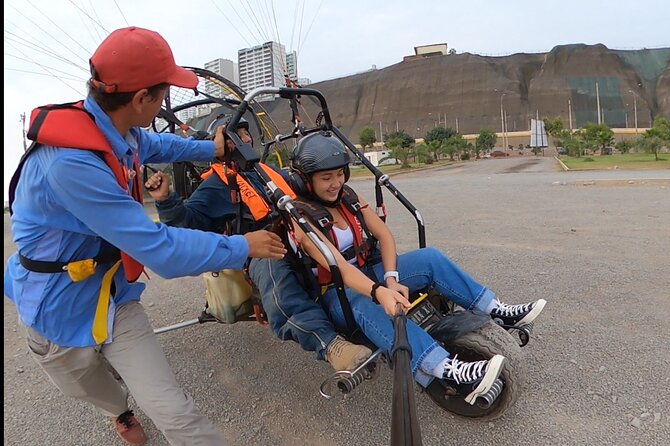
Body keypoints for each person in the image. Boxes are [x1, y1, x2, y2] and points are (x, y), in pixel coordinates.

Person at [4, 26, 286, 446]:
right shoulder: (71, 166)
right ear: (141, 99)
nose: (164, 102)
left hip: (113, 297)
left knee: (176, 413)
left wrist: (213, 149)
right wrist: (243, 245)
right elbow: (159, 249)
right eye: (163, 93)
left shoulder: (118, 131)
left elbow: (160, 146)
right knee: (87, 385)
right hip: (55, 308)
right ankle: (119, 409)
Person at [284, 131, 547, 403]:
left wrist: (391, 277)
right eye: (326, 178)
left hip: (369, 273)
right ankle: (445, 368)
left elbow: (384, 235)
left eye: (340, 174)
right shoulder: (301, 217)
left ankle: (495, 310)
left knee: (429, 257)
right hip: (338, 293)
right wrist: (379, 292)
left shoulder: (348, 197)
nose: (336, 183)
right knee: (367, 304)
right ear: (305, 181)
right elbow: (339, 267)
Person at [146, 113, 374, 372]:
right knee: (273, 273)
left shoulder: (267, 171)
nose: (242, 139)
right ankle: (330, 345)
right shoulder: (215, 186)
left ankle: (381, 287)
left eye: (244, 133)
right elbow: (187, 225)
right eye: (234, 135)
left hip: (297, 233)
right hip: (263, 247)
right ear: (220, 144)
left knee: (353, 231)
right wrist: (166, 200)